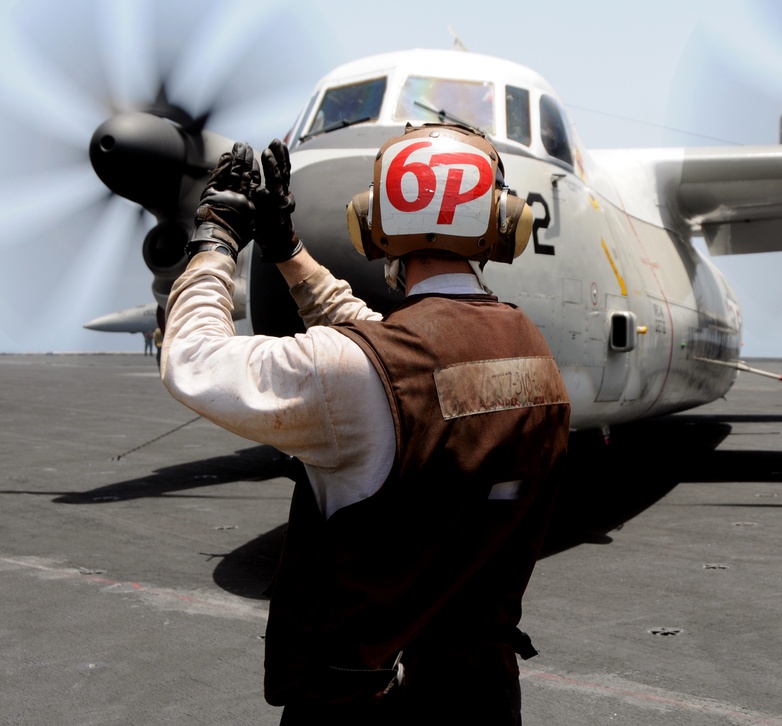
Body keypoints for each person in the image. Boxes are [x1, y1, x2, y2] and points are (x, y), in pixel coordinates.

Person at [159, 125, 571, 724]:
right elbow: (381, 345)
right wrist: (286, 250)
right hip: (481, 697)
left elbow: (193, 361)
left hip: (361, 703)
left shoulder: (362, 371)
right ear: (502, 222)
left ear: (374, 223)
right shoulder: (529, 349)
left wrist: (216, 240)